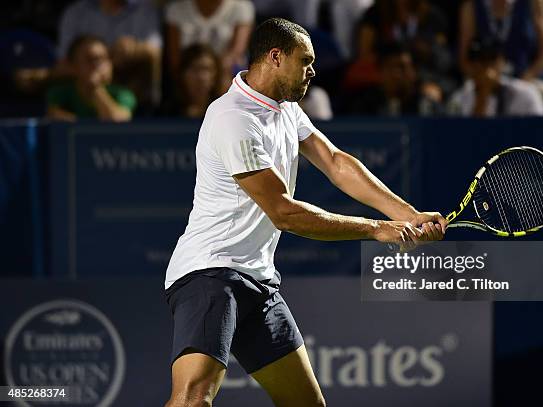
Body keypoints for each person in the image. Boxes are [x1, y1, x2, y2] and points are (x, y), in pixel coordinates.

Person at [164, 18, 447, 407]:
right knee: (194, 397)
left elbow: (334, 162)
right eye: (306, 61)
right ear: (275, 57)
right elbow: (283, 212)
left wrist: (408, 214)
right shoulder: (233, 117)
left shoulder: (287, 109)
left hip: (259, 282)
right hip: (212, 273)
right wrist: (378, 229)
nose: (313, 71)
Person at [458, 0, 543, 113]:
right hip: (484, 82)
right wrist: (484, 81)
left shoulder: (534, 3)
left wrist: (521, 83)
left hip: (528, 80)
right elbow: (464, 60)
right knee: (458, 102)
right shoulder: (471, 6)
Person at [58, 0, 162, 108]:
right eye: (92, 59)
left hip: (132, 91)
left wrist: (136, 48)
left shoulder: (145, 9)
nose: (97, 64)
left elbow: (156, 52)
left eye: (101, 59)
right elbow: (63, 64)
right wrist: (90, 78)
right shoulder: (75, 12)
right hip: (82, 95)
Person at [46, 35, 136, 121]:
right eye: (90, 59)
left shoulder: (123, 94)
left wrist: (95, 88)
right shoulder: (59, 93)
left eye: (103, 58)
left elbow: (117, 122)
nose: (97, 65)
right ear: (72, 65)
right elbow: (54, 119)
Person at [448, 38, 543, 117]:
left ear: (502, 62)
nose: (486, 67)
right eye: (480, 61)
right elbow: (467, 136)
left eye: (491, 60)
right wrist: (483, 95)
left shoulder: (525, 93)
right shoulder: (460, 97)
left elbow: (540, 131)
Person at [165, 0, 254, 84]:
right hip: (187, 76)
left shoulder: (241, 8)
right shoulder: (176, 9)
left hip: (222, 74)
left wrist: (213, 73)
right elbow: (174, 57)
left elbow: (236, 52)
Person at [346, 42, 444, 116]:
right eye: (400, 67)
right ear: (382, 71)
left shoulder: (426, 107)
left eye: (411, 67)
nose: (408, 73)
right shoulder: (365, 106)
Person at [159, 43, 223, 118]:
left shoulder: (224, 111)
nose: (201, 77)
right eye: (195, 69)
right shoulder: (165, 113)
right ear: (182, 74)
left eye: (206, 69)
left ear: (215, 75)